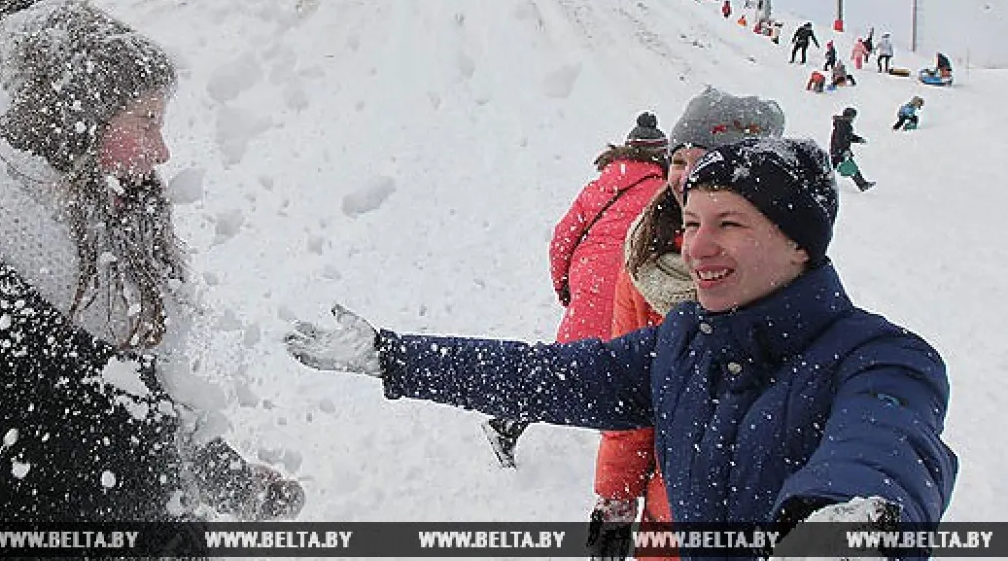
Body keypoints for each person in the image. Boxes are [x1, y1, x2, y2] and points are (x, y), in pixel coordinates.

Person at [284, 136, 957, 557]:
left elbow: (887, 447)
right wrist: (396, 355)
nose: (697, 245)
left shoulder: (881, 358)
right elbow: (540, 374)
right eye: (692, 222)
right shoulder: (682, 342)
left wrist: (843, 523)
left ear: (798, 242)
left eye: (729, 222)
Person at [0, 0, 305, 528]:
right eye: (145, 122)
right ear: (72, 123)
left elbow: (147, 420)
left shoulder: (111, 264)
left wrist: (231, 482)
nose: (162, 152)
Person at [589, 88, 785, 560]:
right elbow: (628, 395)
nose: (685, 175)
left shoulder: (783, 270)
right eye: (680, 158)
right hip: (669, 517)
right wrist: (615, 500)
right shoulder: (646, 263)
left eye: (706, 160)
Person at [482, 112, 668, 468]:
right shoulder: (666, 191)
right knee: (635, 367)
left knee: (567, 362)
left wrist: (564, 286)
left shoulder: (600, 185)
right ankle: (643, 457)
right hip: (631, 283)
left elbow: (563, 237)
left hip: (592, 278)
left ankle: (508, 422)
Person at [830, 107, 875, 192]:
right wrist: (843, 151)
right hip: (839, 151)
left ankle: (863, 184)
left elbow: (848, 137)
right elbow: (840, 139)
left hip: (838, 151)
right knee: (850, 167)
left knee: (834, 166)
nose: (853, 119)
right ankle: (862, 185)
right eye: (853, 117)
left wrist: (858, 139)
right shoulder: (843, 125)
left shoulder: (843, 124)